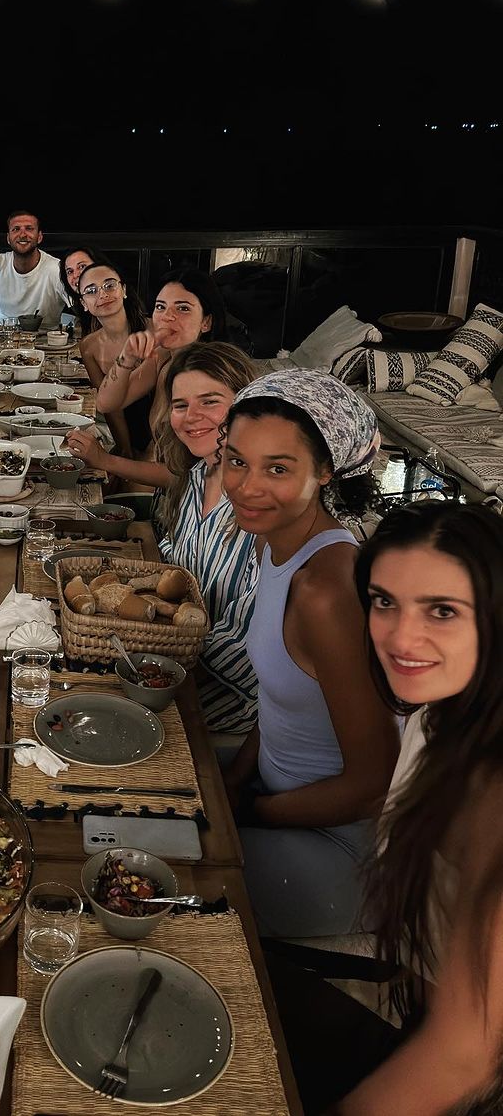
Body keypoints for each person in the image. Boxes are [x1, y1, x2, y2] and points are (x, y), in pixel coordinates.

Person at [334, 502, 503, 1114]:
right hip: (413, 1005)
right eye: (384, 602)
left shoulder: (491, 791)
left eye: (442, 611)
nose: (402, 637)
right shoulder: (437, 712)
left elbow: (465, 1053)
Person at [220, 369, 399, 939]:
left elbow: (373, 783)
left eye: (277, 468)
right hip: (276, 795)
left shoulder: (328, 589)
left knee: (158, 872)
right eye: (236, 460)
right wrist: (237, 780)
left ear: (325, 472)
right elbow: (283, 697)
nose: (247, 487)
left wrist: (248, 813)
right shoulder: (273, 543)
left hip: (338, 850)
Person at [150, 342, 260, 736]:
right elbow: (174, 559)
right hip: (172, 659)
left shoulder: (260, 506)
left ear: (247, 404)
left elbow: (247, 653)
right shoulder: (197, 476)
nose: (191, 417)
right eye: (180, 405)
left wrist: (154, 654)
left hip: (228, 700)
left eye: (210, 401)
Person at [73, 266, 227, 478]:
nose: (167, 317)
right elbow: (106, 403)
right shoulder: (163, 357)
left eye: (183, 308)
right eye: (161, 307)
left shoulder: (207, 374)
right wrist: (127, 357)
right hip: (155, 474)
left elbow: (186, 477)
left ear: (206, 322)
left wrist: (106, 461)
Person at [72, 259, 149, 459]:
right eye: (91, 290)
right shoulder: (89, 347)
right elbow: (111, 409)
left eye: (109, 285)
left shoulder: (154, 331)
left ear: (123, 290)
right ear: (84, 304)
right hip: (130, 435)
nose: (102, 295)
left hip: (163, 433)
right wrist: (125, 450)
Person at [0, 210, 68, 329]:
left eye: (29, 229)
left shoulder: (57, 269)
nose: (23, 235)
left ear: (39, 237)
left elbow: (80, 305)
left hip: (46, 339)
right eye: (16, 229)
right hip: (3, 337)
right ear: (8, 238)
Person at [59, 245, 106, 332]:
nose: (75, 275)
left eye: (82, 266)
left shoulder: (113, 301)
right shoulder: (82, 308)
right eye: (70, 271)